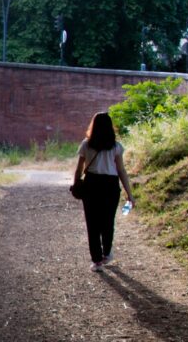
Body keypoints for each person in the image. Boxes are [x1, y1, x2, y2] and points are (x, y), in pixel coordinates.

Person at [73, 111, 134, 272]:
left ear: (93, 126)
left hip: (91, 184)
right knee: (108, 222)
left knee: (92, 223)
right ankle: (106, 253)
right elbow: (121, 170)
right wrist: (129, 194)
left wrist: (76, 184)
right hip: (110, 186)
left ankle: (97, 261)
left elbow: (79, 168)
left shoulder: (86, 144)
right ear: (110, 127)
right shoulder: (116, 146)